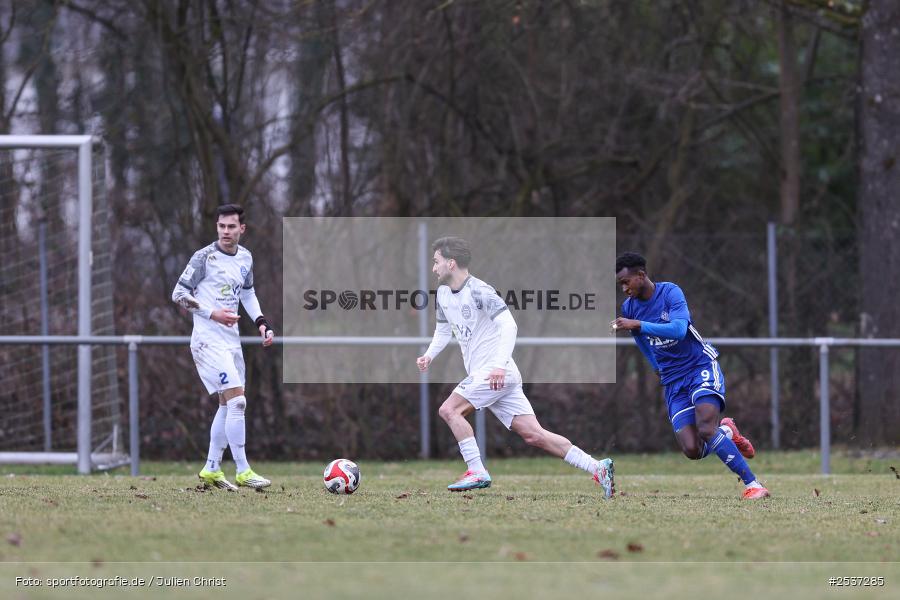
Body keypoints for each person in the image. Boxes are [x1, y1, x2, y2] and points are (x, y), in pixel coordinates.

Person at [416, 237, 615, 497]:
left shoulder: (480, 291)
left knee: (449, 409)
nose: (434, 268)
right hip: (494, 373)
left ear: (451, 263)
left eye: (436, 262)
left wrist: (498, 366)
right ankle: (598, 467)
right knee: (534, 435)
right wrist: (429, 355)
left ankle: (476, 470)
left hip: (496, 371)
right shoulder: (443, 293)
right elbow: (443, 330)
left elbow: (509, 325)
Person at [611, 252, 770, 499]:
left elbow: (678, 330)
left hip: (699, 366)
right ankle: (727, 431)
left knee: (706, 428)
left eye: (626, 282)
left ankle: (753, 485)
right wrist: (656, 366)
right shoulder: (630, 307)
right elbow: (641, 341)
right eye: (620, 284)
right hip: (673, 379)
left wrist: (639, 324)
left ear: (641, 275)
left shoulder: (670, 293)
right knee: (692, 449)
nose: (623, 288)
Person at [172, 204, 274, 490]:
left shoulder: (245, 258)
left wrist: (262, 323)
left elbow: (249, 293)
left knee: (227, 405)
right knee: (238, 401)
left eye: (231, 227)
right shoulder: (204, 257)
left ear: (242, 229)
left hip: (231, 342)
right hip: (207, 341)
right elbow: (178, 293)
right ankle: (243, 470)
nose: (225, 232)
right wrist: (212, 313)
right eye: (221, 226)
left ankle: (212, 468)